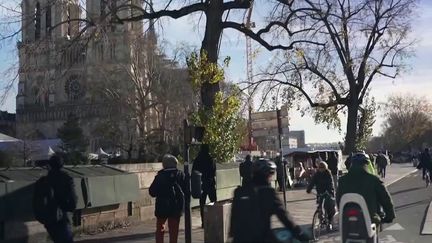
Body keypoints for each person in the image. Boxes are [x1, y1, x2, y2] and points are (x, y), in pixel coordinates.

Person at [230, 159, 312, 243]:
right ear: (267, 175)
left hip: (239, 238)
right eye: (271, 174)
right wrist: (299, 232)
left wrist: (232, 235)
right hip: (261, 238)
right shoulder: (269, 192)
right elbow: (284, 216)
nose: (271, 177)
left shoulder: (239, 192)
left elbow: (234, 216)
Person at [337, 152, 395, 225]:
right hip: (369, 219)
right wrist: (390, 216)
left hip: (348, 219)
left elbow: (339, 199)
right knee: (374, 227)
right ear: (366, 164)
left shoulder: (342, 181)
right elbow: (385, 199)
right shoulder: (373, 180)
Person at [33, 155, 77, 243]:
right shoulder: (66, 178)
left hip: (48, 218)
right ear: (62, 165)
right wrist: (70, 209)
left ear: (50, 165)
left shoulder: (43, 181)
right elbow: (72, 200)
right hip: (61, 217)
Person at [149, 154, 186, 243]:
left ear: (164, 164)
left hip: (162, 206)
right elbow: (186, 190)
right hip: (176, 206)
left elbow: (152, 192)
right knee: (174, 230)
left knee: (160, 228)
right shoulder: (180, 175)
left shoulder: (159, 176)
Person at [192, 144, 217, 228]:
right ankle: (213, 219)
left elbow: (194, 171)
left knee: (202, 203)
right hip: (210, 182)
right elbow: (214, 171)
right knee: (213, 201)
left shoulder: (198, 159)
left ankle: (203, 222)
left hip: (201, 183)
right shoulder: (211, 159)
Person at [306, 161, 336, 231]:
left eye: (323, 168)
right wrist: (309, 189)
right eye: (320, 168)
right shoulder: (316, 175)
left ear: (325, 168)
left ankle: (330, 221)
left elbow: (330, 183)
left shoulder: (328, 173)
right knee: (320, 207)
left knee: (329, 207)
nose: (321, 169)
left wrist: (330, 191)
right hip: (320, 193)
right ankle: (320, 218)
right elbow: (312, 182)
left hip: (328, 192)